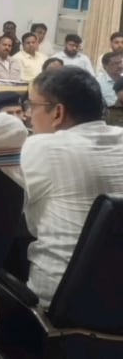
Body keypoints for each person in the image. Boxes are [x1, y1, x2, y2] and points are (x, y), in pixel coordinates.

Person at [22, 67, 123, 306]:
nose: (27, 114)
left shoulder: (42, 147)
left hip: (58, 306)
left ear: (58, 112)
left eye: (32, 105)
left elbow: (5, 213)